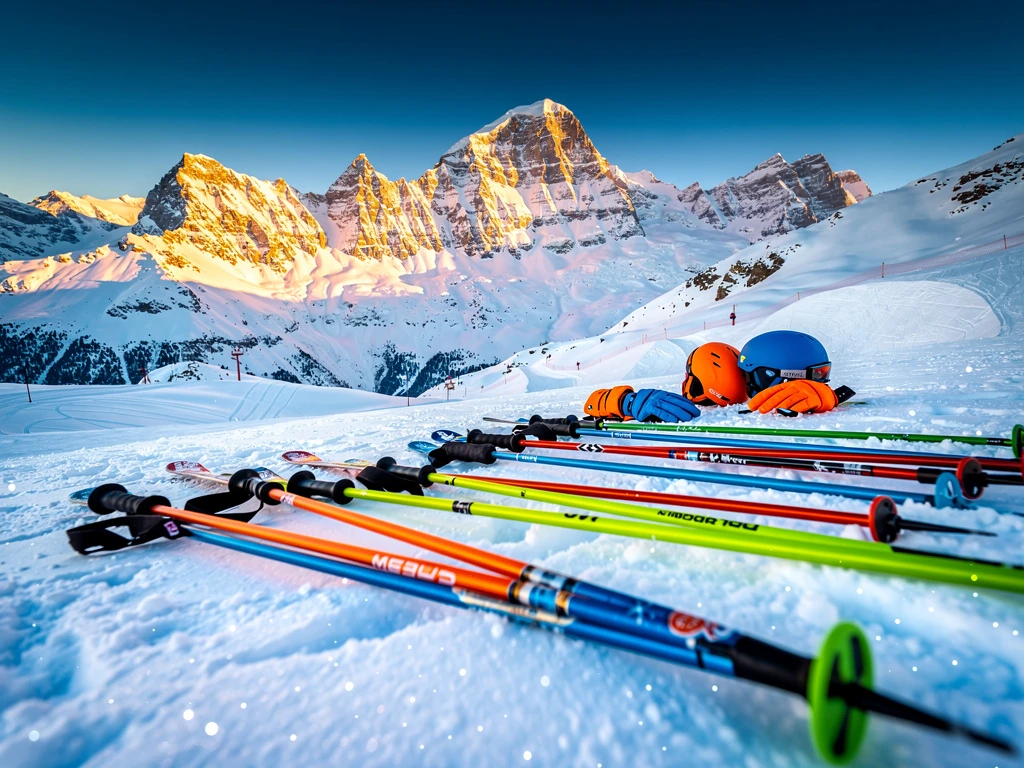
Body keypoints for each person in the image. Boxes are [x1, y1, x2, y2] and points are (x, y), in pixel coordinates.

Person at [583, 331, 842, 422]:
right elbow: (592, 404)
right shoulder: (675, 407)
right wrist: (625, 402)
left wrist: (827, 398)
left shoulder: (751, 406)